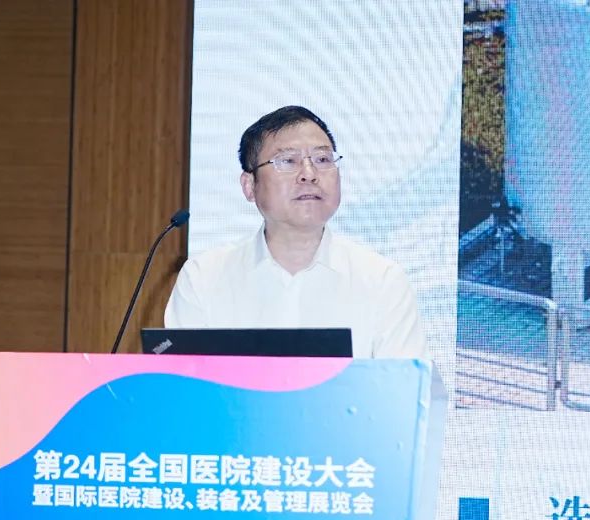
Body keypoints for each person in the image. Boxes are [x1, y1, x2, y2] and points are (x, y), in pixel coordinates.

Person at [164, 105, 428, 359]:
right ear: (249, 185)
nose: (309, 174)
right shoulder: (204, 278)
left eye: (323, 159)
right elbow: (182, 383)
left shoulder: (382, 281)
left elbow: (404, 386)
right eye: (288, 161)